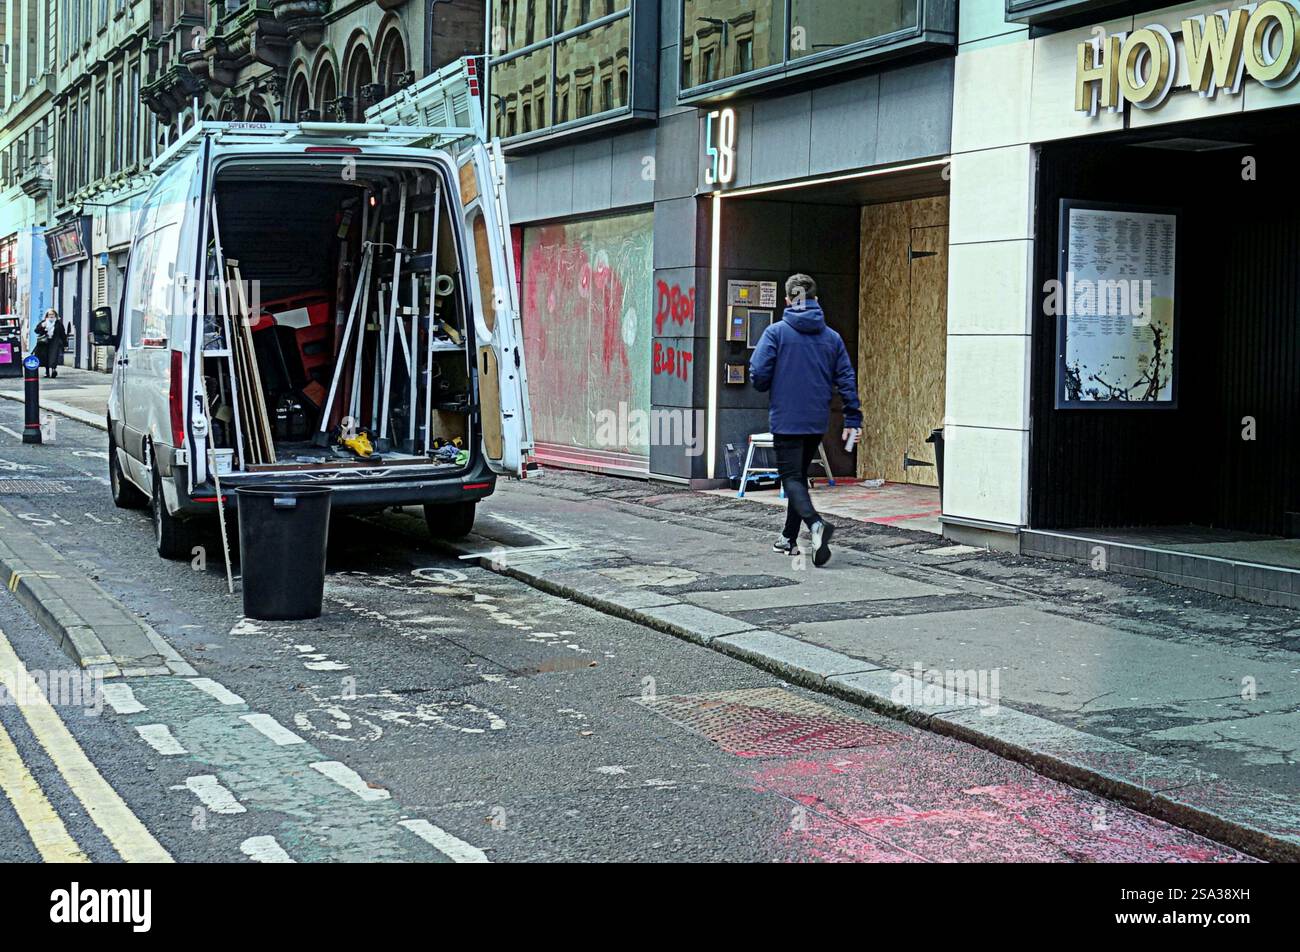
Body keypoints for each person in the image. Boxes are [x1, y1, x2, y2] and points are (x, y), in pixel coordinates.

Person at [749, 274, 862, 567]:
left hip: (786, 419)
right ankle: (787, 537)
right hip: (815, 421)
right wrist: (853, 416)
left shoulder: (776, 333)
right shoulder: (832, 338)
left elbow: (759, 375)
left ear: (787, 300)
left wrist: (767, 381)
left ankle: (815, 524)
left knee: (791, 479)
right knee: (798, 478)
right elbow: (846, 379)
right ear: (816, 300)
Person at [34, 308, 68, 378]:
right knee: (45, 356)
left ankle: (53, 370)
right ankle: (47, 372)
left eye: (52, 314)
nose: (51, 316)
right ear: (47, 315)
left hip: (54, 342)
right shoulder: (44, 322)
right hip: (45, 342)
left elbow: (63, 334)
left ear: (55, 315)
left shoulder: (58, 323)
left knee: (53, 356)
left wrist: (65, 344)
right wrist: (42, 326)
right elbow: (36, 330)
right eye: (49, 314)